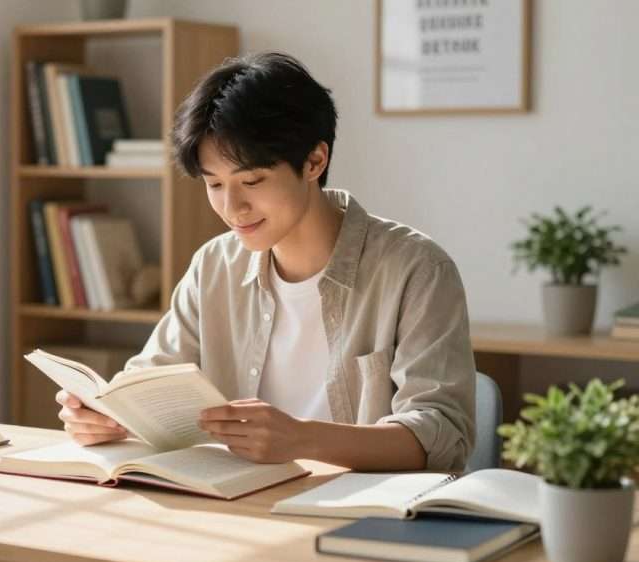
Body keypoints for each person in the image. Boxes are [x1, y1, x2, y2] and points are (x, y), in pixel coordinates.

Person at [55, 52, 476, 471]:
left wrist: (303, 439)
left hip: (363, 518)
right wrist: (108, 417)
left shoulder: (417, 269)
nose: (232, 207)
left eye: (251, 181)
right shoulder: (214, 266)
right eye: (214, 184)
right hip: (238, 508)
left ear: (315, 161)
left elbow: (441, 435)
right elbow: (148, 386)